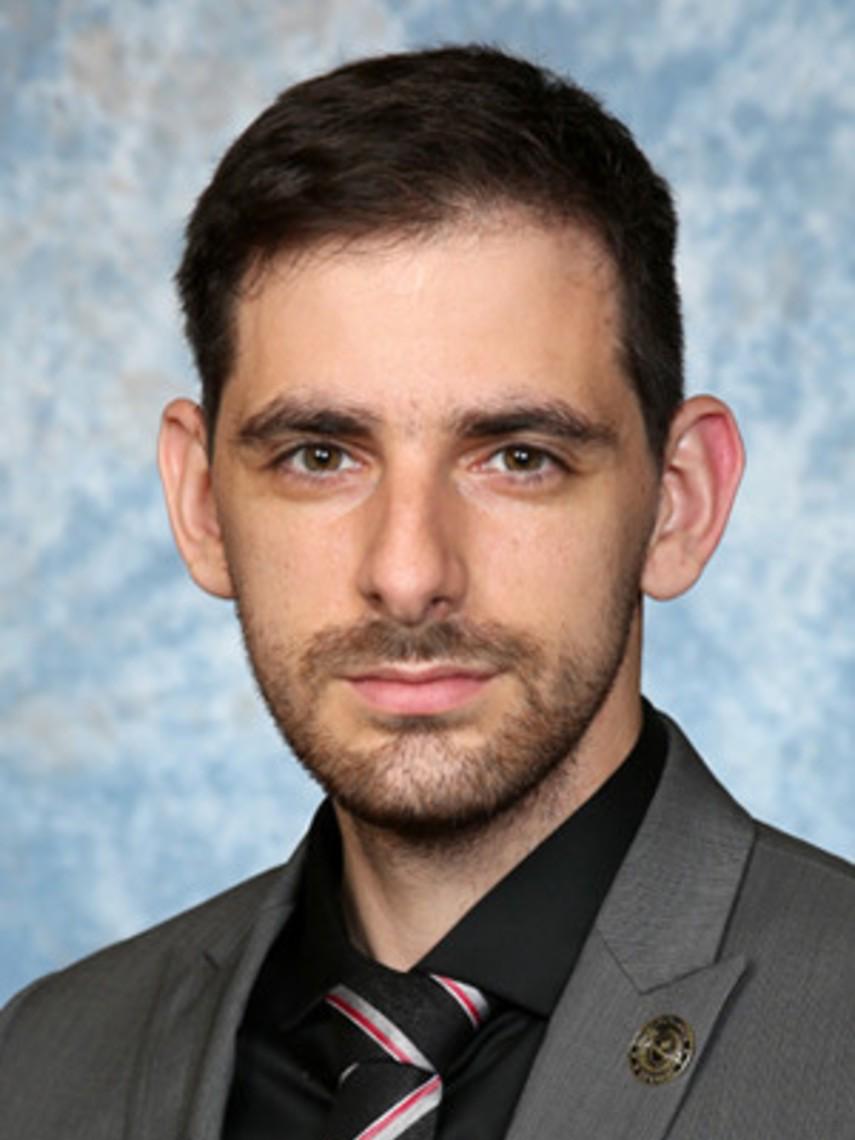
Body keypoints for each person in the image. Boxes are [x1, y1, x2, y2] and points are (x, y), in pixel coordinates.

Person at [1, 43, 853, 1140]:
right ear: (202, 504)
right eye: (319, 456)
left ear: (678, 503)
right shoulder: (42, 1066)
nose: (408, 577)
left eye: (518, 458)